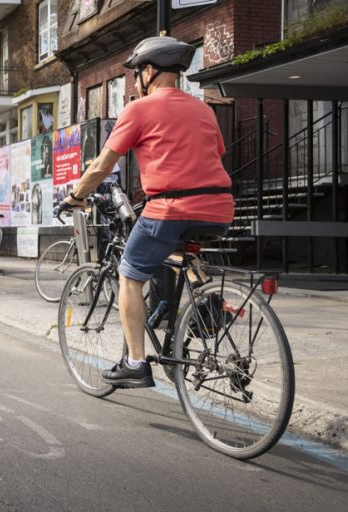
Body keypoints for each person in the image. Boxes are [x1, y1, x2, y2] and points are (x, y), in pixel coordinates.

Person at [60, 36, 234, 388]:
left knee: (130, 275)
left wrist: (76, 196)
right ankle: (207, 306)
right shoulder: (204, 110)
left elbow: (100, 166)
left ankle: (136, 362)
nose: (135, 81)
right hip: (219, 207)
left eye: (136, 74)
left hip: (171, 207)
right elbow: (213, 154)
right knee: (177, 251)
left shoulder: (138, 110)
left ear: (149, 72)